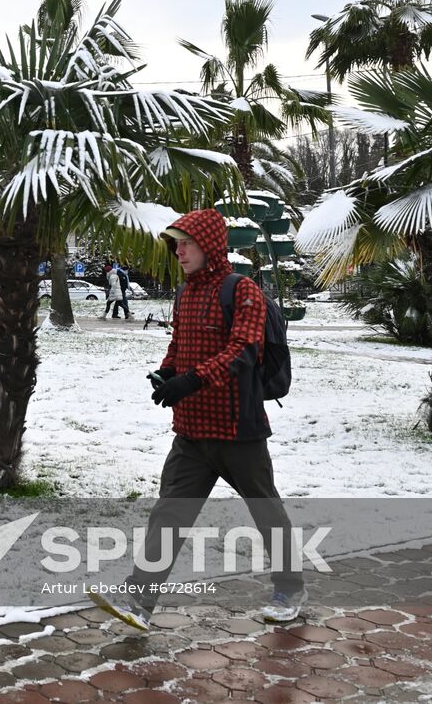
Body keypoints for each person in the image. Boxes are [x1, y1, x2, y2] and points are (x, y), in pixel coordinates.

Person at [91, 208, 305, 630]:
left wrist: (191, 380)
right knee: (169, 515)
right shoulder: (185, 292)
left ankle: (289, 588)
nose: (179, 252)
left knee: (265, 511)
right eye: (176, 244)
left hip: (237, 429)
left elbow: (242, 352)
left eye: (186, 243)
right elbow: (180, 342)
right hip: (191, 433)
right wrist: (169, 371)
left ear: (209, 245)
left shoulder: (241, 291)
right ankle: (140, 602)